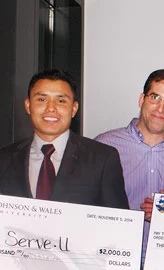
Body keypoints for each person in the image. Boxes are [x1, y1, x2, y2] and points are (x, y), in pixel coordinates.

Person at [95, 69, 164, 263]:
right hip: (112, 260)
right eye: (155, 97)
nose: (160, 108)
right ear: (141, 100)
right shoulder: (104, 146)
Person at [0, 69, 129, 209]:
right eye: (42, 99)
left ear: (74, 109)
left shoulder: (102, 158)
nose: (51, 108)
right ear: (28, 105)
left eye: (61, 101)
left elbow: (118, 223)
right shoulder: (5, 159)